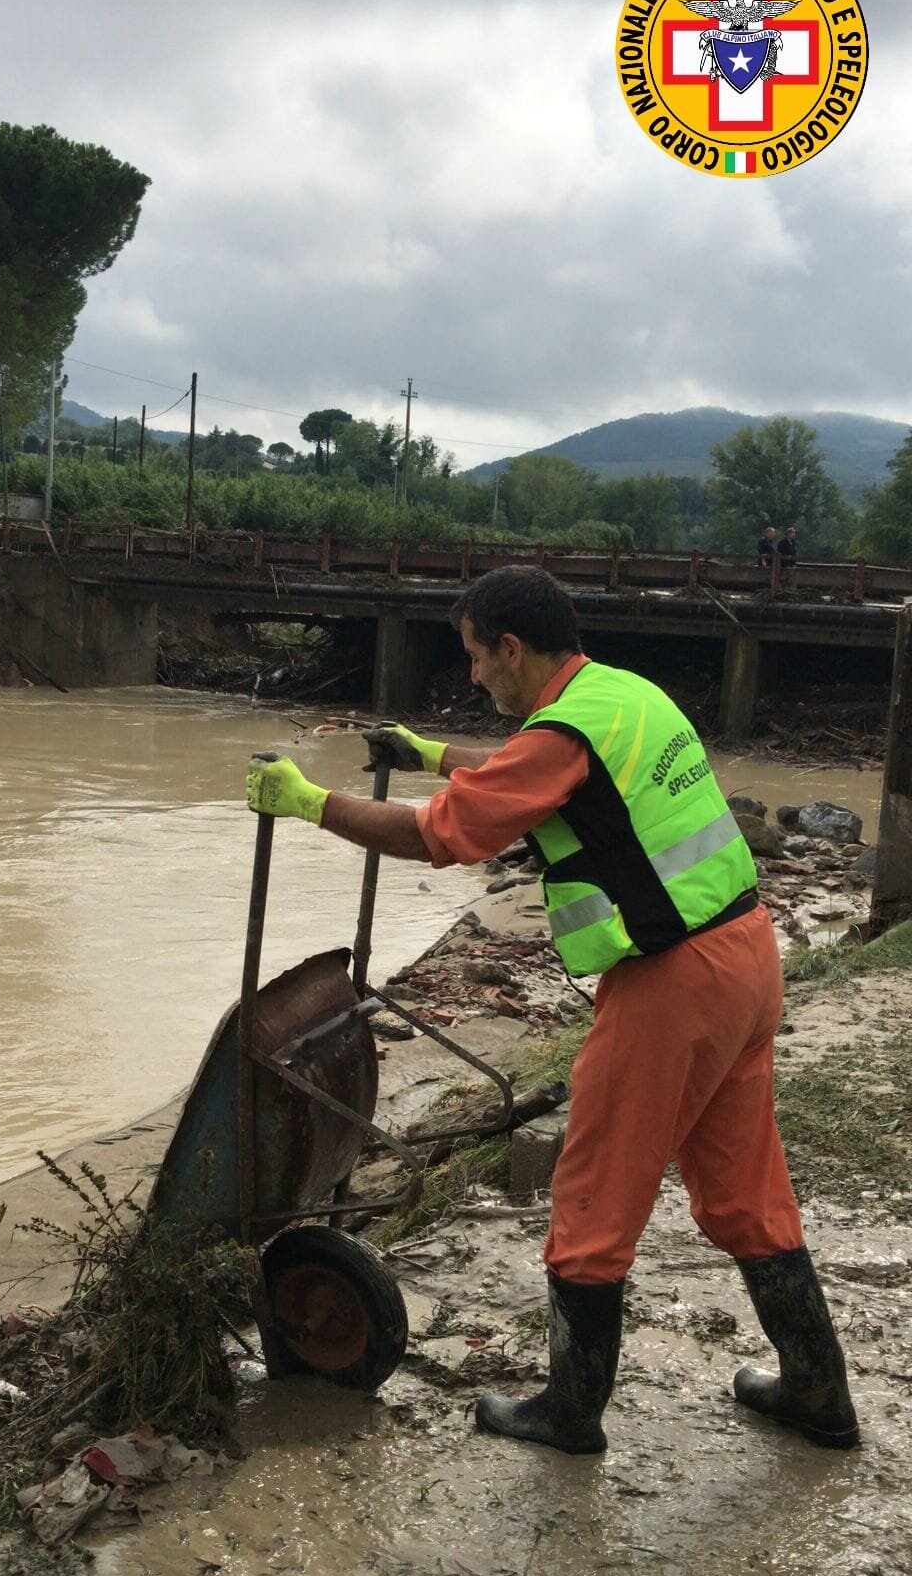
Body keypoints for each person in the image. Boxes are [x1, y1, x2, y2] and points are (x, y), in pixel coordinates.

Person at [245, 568, 858, 1457]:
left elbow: (438, 837)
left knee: (592, 1193)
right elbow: (541, 773)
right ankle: (819, 1393)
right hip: (745, 958)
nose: (472, 679)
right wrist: (429, 754)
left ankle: (570, 1413)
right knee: (744, 1191)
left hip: (674, 984)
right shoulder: (619, 696)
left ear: (511, 649)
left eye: (474, 660)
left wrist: (309, 805)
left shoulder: (559, 731)